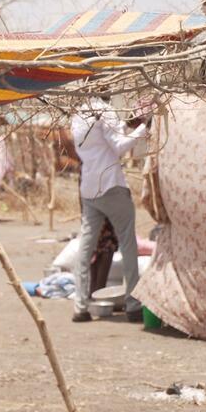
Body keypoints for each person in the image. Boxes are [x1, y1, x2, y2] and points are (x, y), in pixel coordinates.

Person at [70, 96, 148, 323]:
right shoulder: (104, 110)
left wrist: (127, 125)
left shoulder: (78, 113)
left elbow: (103, 140)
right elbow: (119, 146)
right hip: (111, 186)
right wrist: (144, 126)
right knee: (128, 244)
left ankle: (80, 307)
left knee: (85, 249)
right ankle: (133, 305)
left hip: (89, 188)